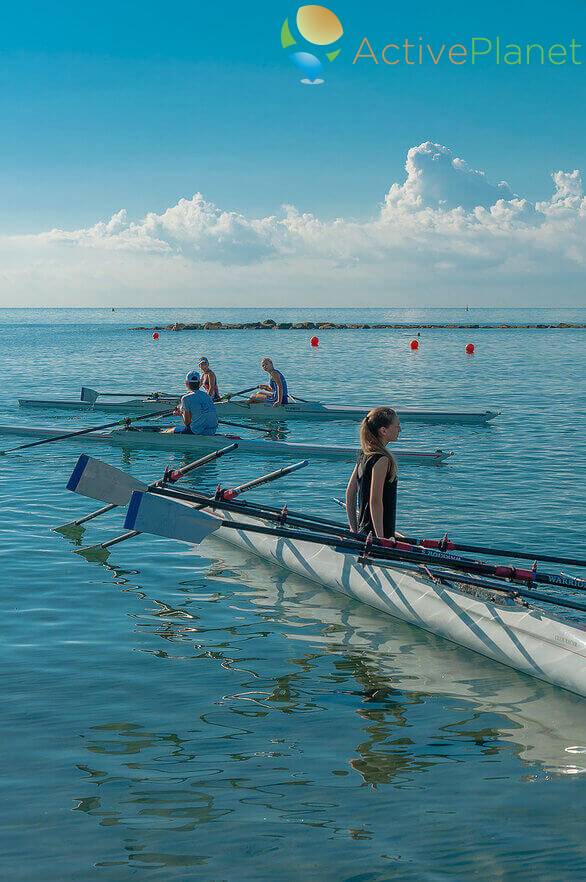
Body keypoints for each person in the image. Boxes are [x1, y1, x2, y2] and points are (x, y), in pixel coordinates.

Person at [345, 407, 401, 539]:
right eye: (397, 426)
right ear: (383, 430)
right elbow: (375, 500)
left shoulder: (364, 454)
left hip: (365, 532)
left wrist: (354, 529)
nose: (400, 430)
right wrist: (381, 540)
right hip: (378, 535)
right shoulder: (382, 459)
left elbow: (349, 493)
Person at [163, 370, 219, 435]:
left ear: (186, 383)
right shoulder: (207, 396)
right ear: (200, 382)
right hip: (212, 430)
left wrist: (181, 413)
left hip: (197, 431)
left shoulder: (185, 398)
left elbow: (187, 423)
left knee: (168, 431)